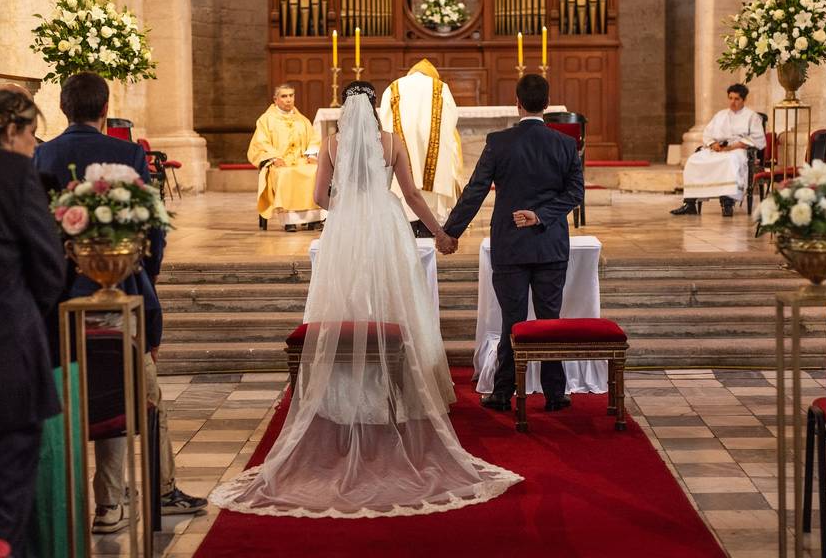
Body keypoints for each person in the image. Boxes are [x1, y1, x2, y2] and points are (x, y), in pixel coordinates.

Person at [209, 82, 520, 518]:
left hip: (346, 230)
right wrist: (441, 234)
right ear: (375, 107)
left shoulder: (332, 143)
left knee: (348, 308)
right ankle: (398, 394)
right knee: (393, 307)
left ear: (344, 109)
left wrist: (349, 205)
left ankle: (345, 398)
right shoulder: (391, 142)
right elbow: (411, 195)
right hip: (388, 227)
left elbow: (319, 198)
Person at [33, 72, 206, 533]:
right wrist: (145, 284)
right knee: (127, 394)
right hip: (122, 296)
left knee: (72, 399)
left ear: (64, 107)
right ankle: (117, 503)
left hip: (57, 306)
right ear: (105, 108)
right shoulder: (128, 153)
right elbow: (154, 232)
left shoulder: (41, 155)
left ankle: (70, 505)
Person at [442, 74, 584, 412]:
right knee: (549, 319)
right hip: (550, 244)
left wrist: (451, 233)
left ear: (516, 102)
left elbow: (475, 190)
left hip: (510, 244)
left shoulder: (499, 142)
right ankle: (554, 394)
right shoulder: (565, 144)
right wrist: (542, 215)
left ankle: (504, 392)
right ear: (548, 104)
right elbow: (575, 194)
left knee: (513, 320)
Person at [0, 90, 65, 558]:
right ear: (11, 131)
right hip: (8, 355)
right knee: (9, 497)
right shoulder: (17, 174)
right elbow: (49, 269)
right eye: (29, 134)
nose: (33, 144)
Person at [379, 59, 462, 237]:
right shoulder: (440, 88)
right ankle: (429, 234)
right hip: (434, 165)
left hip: (401, 157)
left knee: (404, 227)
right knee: (429, 227)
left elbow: (384, 123)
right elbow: (451, 122)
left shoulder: (393, 87)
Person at [672, 83, 765, 217]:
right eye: (730, 98)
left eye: (736, 99)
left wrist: (733, 147)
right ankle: (690, 203)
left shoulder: (752, 116)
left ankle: (727, 203)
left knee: (729, 160)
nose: (733, 102)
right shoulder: (720, 115)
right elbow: (707, 134)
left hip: (738, 150)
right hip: (717, 149)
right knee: (694, 160)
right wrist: (713, 143)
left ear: (744, 100)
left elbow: (758, 139)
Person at [248, 83, 324, 231]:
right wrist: (274, 158)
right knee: (286, 174)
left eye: (291, 95)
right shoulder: (266, 120)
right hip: (280, 162)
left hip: (301, 160)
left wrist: (311, 154)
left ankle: (313, 219)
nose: (288, 99)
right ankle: (289, 220)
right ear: (275, 100)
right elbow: (260, 143)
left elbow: (314, 139)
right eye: (284, 96)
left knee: (315, 171)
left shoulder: (302, 120)